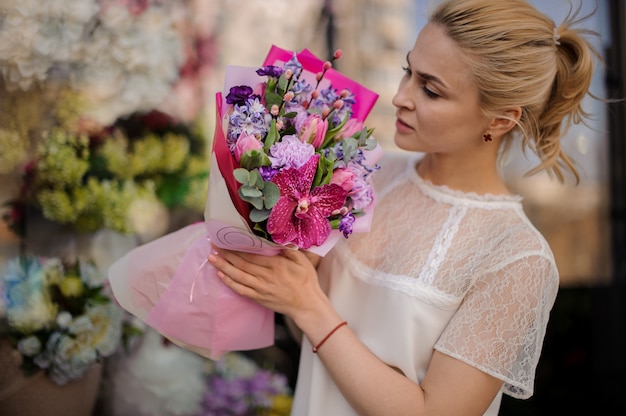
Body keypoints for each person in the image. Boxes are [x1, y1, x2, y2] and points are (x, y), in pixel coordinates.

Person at [207, 0, 600, 414]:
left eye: (430, 90)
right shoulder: (360, 176)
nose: (400, 97)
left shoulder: (517, 257)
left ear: (500, 120)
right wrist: (285, 280)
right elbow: (310, 338)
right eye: (408, 72)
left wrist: (310, 306)